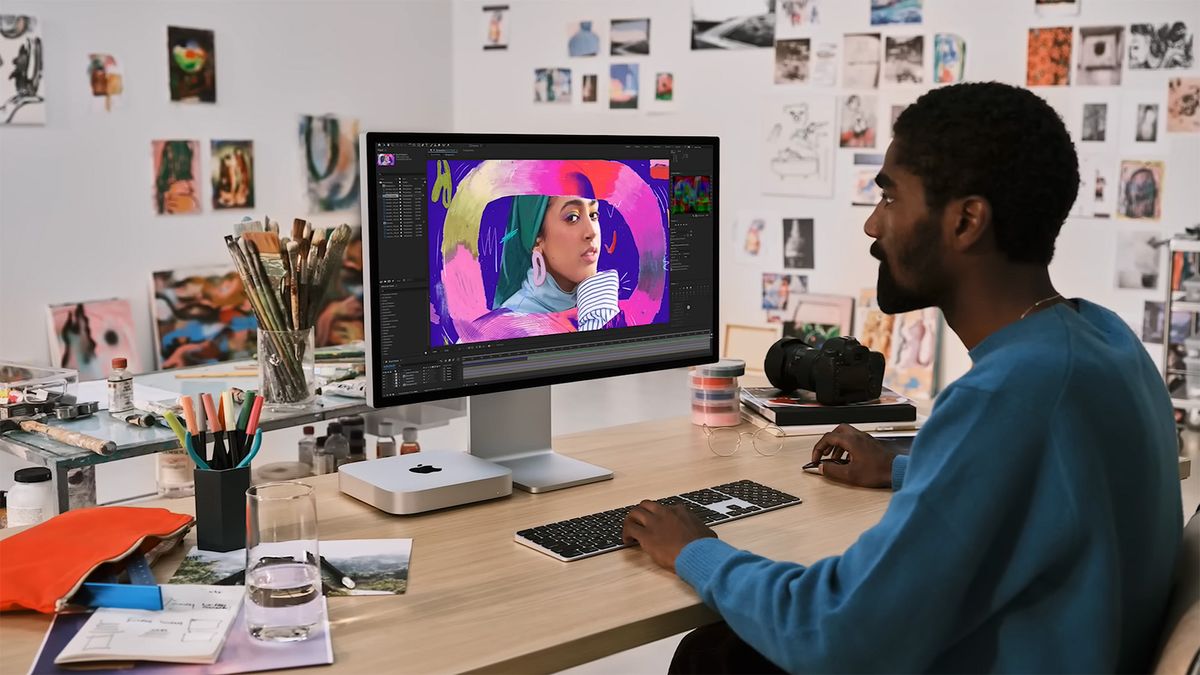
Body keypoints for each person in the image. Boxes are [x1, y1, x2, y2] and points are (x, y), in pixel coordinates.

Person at [621, 82, 1182, 673]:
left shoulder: (1008, 397)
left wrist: (697, 550)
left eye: (889, 199)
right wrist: (903, 467)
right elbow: (1048, 490)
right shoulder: (1106, 339)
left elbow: (835, 631)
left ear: (966, 221)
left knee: (713, 661)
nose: (871, 225)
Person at [492, 184, 619, 331]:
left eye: (593, 215)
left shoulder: (605, 305)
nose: (591, 232)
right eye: (573, 217)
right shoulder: (503, 329)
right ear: (537, 238)